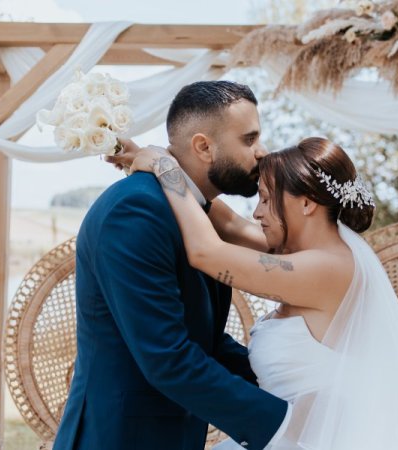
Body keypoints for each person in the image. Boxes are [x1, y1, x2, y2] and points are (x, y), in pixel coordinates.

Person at [123, 136, 398, 449]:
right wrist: (145, 156)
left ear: (306, 204)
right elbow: (226, 224)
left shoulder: (328, 269)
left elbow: (206, 252)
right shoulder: (303, 255)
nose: (257, 212)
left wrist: (163, 167)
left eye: (268, 200)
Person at [53, 81, 290, 450]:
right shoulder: (135, 212)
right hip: (120, 438)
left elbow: (204, 340)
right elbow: (168, 357)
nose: (261, 152)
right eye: (248, 139)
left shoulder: (190, 211)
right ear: (203, 147)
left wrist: (291, 385)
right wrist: (285, 422)